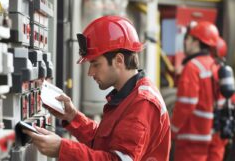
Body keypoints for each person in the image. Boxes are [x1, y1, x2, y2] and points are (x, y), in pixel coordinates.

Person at [23, 15, 171, 161]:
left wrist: (62, 149)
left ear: (119, 60)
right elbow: (103, 143)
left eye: (95, 64)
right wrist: (73, 117)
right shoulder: (129, 96)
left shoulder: (142, 103)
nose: (90, 72)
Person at [171, 21, 227, 161]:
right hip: (211, 138)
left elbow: (186, 104)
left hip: (191, 139)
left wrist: (172, 130)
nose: (185, 43)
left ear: (196, 42)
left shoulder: (192, 67)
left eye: (188, 39)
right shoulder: (215, 66)